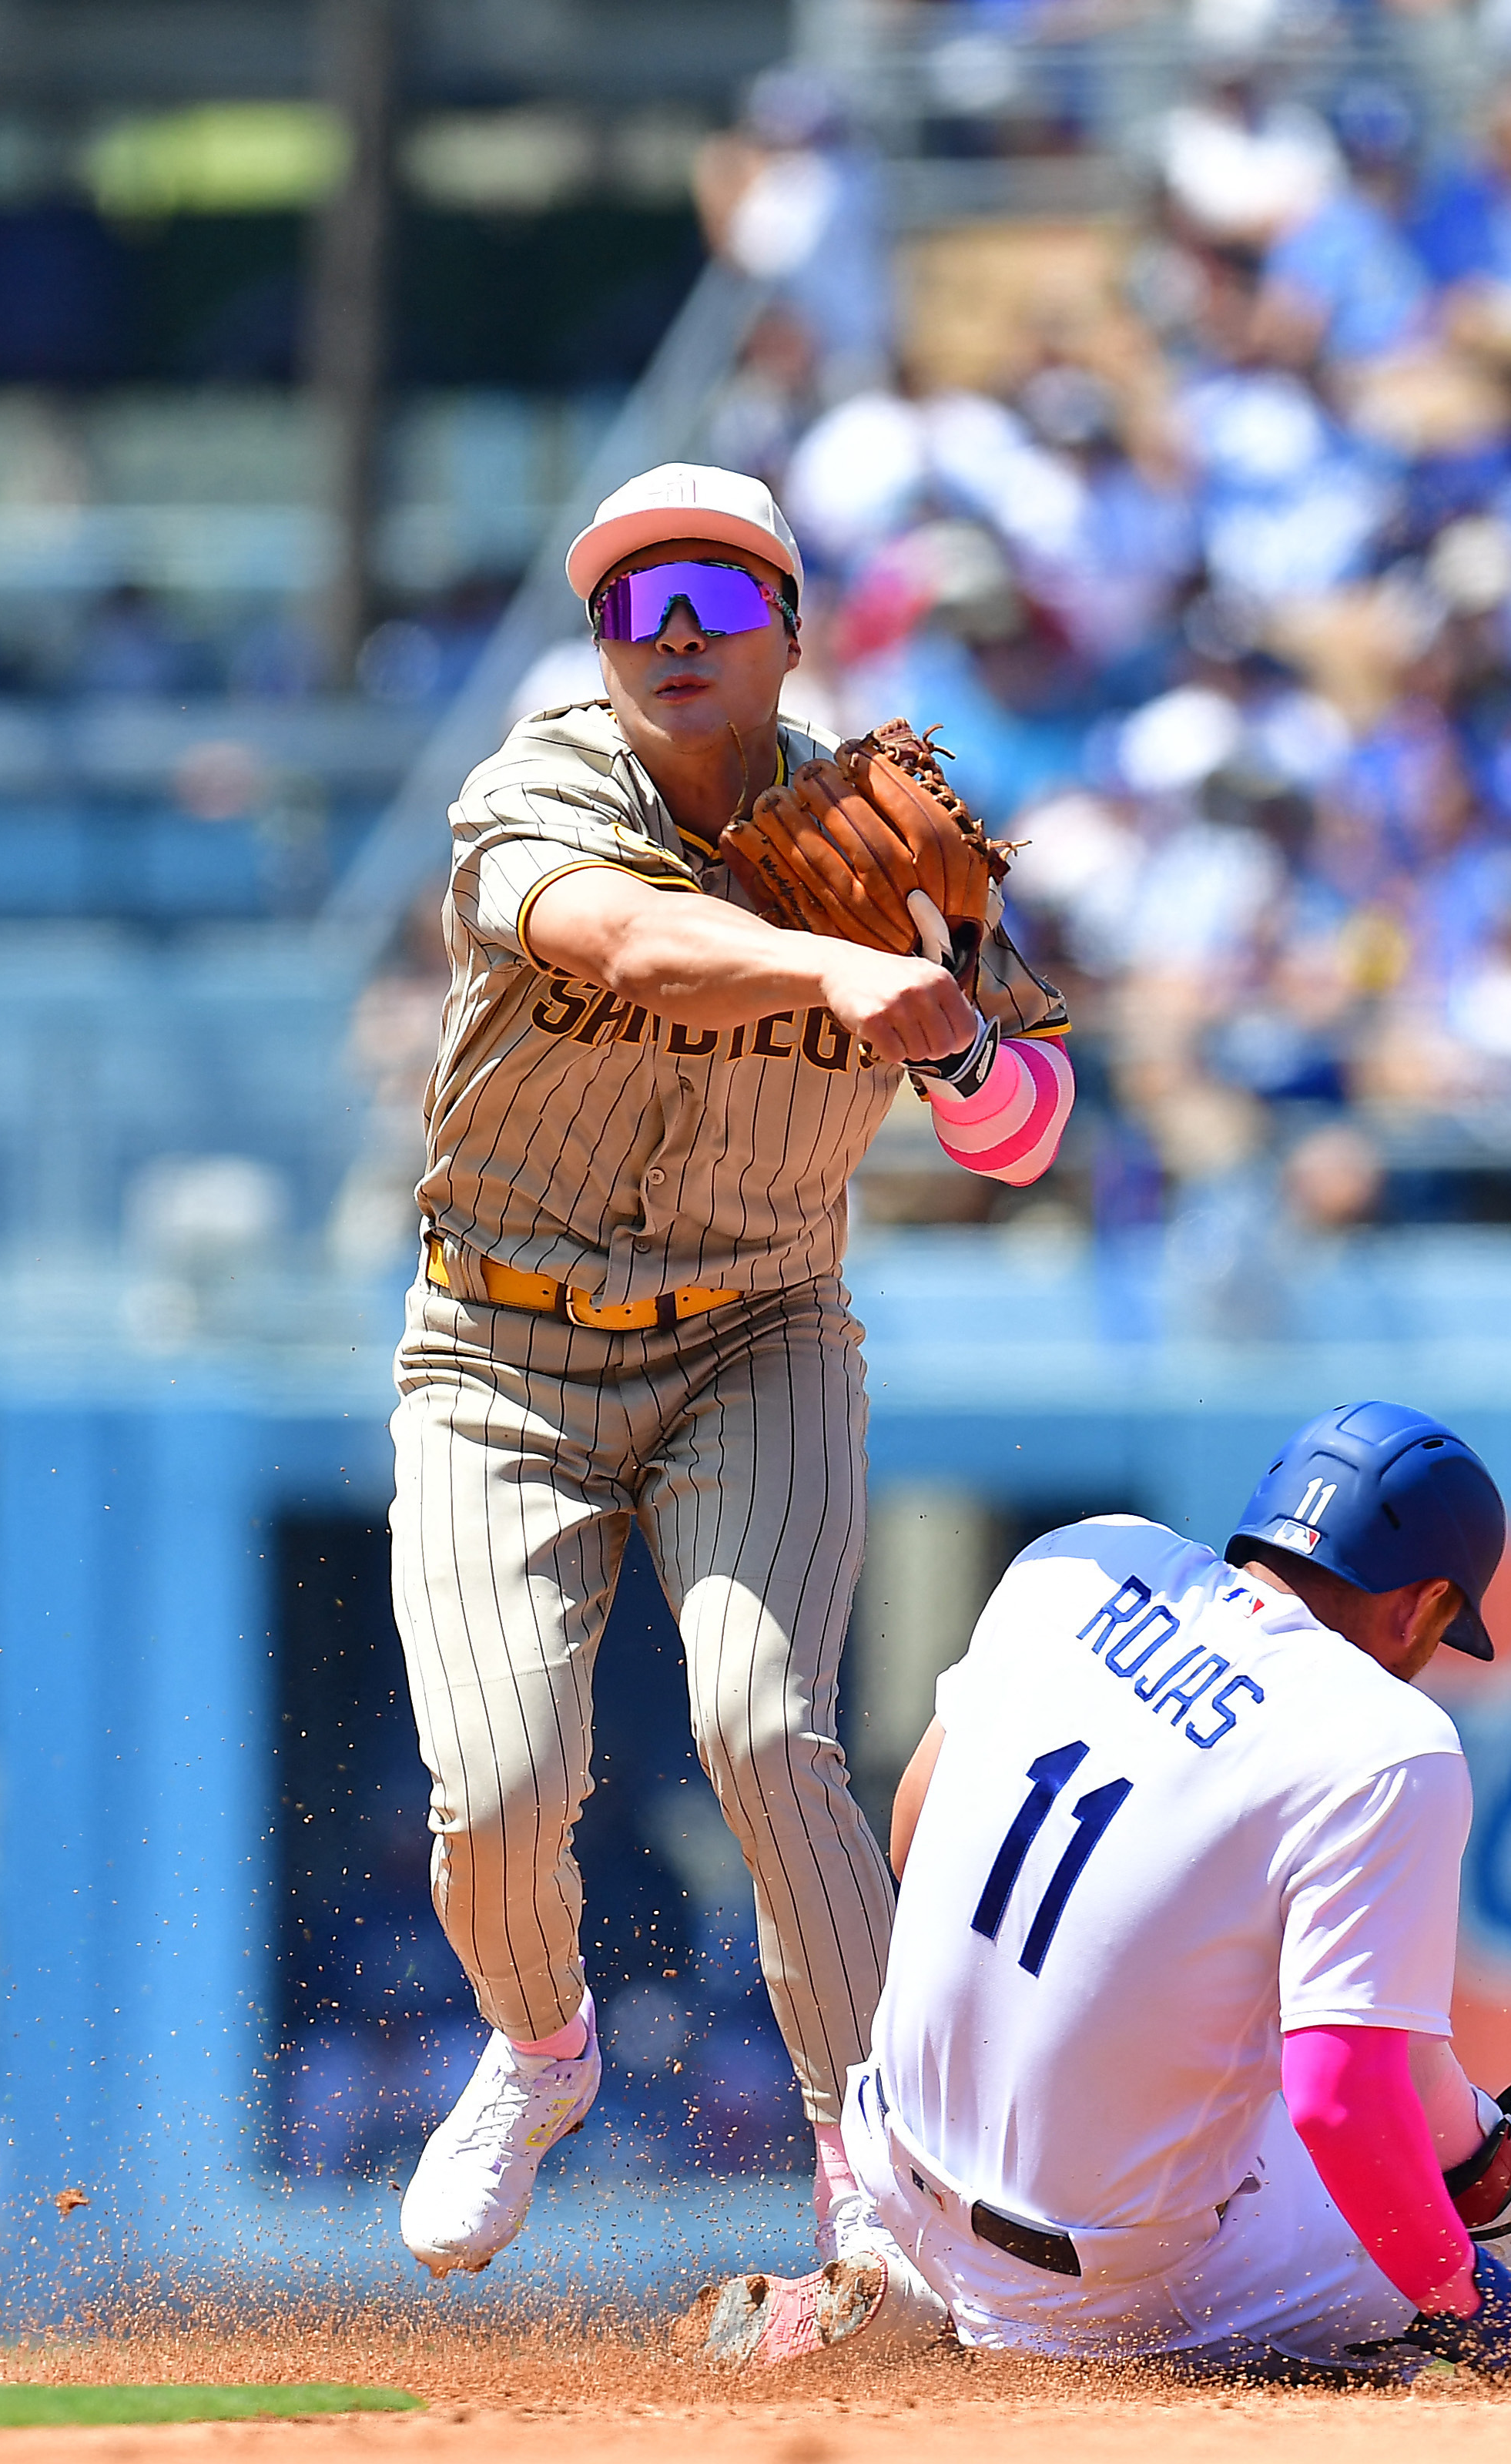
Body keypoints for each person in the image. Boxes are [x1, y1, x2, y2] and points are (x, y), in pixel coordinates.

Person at [391, 461, 1081, 2279]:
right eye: (634, 602)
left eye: (713, 597)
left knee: (766, 1727)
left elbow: (1020, 1127)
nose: (673, 634)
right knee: (501, 1782)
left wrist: (952, 1039)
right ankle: (540, 2045)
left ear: (788, 626)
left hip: (755, 1324)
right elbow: (616, 935)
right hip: (497, 1344)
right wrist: (826, 968)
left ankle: (873, 2156)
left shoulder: (889, 817)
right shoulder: (537, 777)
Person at [697, 1400, 1511, 2372]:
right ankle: (1475, 2199)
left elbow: (913, 1829)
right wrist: (1472, 2311)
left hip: (894, 2160)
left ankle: (915, 2280)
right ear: (1426, 1601)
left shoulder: (1081, 1561)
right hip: (1107, 2285)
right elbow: (1341, 2100)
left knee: (1258, 2009)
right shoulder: (1385, 1741)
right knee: (1397, 2234)